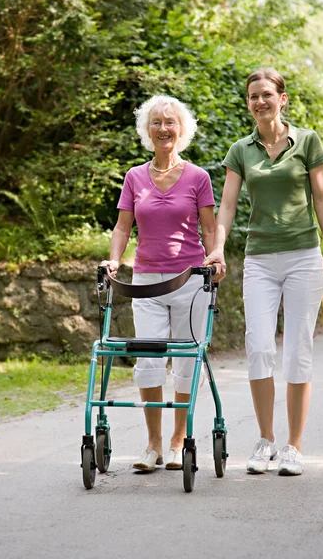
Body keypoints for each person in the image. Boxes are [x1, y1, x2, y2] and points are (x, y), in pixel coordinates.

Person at [204, 67, 323, 476]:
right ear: (248, 103)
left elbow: (321, 197)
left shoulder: (307, 141)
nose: (259, 101)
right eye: (253, 96)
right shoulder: (240, 150)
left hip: (302, 255)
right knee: (259, 346)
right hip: (260, 258)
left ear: (282, 98)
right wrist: (217, 249)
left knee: (298, 348)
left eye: (266, 94)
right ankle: (265, 441)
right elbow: (226, 206)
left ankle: (293, 447)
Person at [101, 94, 215, 472]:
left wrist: (216, 259)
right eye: (156, 122)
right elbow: (122, 226)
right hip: (146, 282)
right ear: (146, 131)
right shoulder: (134, 176)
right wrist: (115, 259)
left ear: (181, 130)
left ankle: (179, 438)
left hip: (190, 281)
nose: (163, 128)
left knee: (185, 362)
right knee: (148, 362)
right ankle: (153, 444)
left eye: (170, 122)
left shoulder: (198, 177)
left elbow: (210, 228)